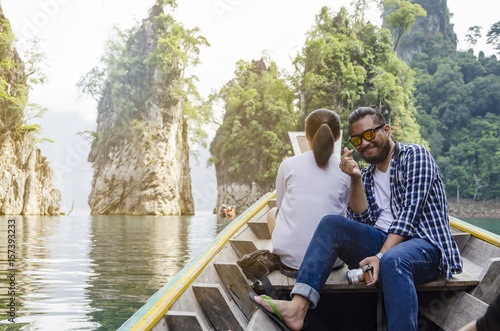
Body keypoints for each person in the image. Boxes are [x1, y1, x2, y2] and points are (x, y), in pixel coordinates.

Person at [252, 107, 463, 331]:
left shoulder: (415, 155)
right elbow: (362, 220)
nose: (364, 143)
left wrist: (380, 255)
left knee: (393, 261)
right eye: (356, 139)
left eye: (370, 134)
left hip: (423, 246)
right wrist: (355, 178)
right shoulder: (368, 176)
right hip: (384, 244)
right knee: (331, 223)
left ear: (387, 130)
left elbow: (409, 216)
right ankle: (298, 306)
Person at [269, 108, 350, 270]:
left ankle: (287, 251)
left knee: (272, 213)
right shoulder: (346, 170)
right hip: (333, 261)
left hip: (291, 262)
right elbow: (346, 206)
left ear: (307, 135)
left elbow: (281, 204)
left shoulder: (288, 164)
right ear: (338, 137)